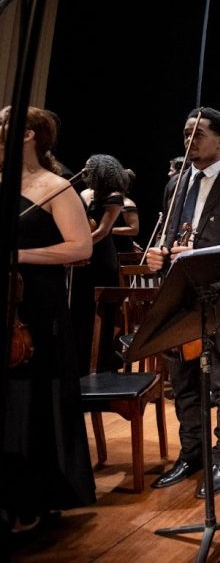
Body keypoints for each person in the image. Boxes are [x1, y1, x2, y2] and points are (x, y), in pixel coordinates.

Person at [146, 107, 220, 497]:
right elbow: (166, 235)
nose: (190, 140)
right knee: (181, 378)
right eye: (186, 133)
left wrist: (196, 255)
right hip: (177, 296)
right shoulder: (175, 184)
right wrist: (160, 254)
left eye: (199, 133)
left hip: (218, 300)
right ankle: (192, 452)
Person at [1, 106, 95, 534]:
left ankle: (31, 498)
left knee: (28, 399)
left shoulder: (55, 187)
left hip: (34, 307)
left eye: (5, 123)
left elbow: (80, 248)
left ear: (30, 135)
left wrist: (19, 256)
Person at [73, 154, 128, 375]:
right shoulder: (92, 195)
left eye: (89, 168)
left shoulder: (115, 197)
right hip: (88, 253)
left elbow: (103, 231)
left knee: (102, 310)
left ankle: (103, 359)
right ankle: (83, 357)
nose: (84, 171)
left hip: (101, 256)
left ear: (101, 171)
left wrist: (82, 247)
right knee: (83, 307)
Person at [110, 168, 141, 255]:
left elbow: (134, 229)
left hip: (120, 248)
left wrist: (106, 230)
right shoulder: (109, 202)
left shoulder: (127, 204)